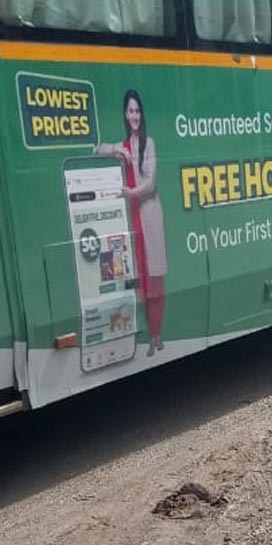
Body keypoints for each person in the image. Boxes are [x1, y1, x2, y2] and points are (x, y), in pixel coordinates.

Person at [96, 90, 167, 357]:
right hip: (133, 218)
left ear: (141, 114)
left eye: (137, 111)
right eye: (130, 111)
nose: (134, 115)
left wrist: (130, 193)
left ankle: (156, 336)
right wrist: (116, 150)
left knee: (155, 279)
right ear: (125, 115)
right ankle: (146, 336)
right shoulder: (124, 146)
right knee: (139, 278)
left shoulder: (149, 143)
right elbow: (98, 148)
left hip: (150, 215)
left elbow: (151, 183)